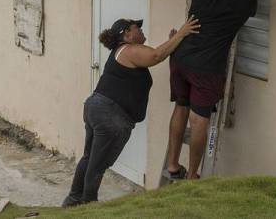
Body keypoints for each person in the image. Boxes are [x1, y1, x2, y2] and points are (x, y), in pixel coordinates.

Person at [63, 15, 200, 207]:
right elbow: (155, 56)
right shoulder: (129, 50)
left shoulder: (121, 52)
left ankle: (73, 201)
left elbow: (157, 54)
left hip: (97, 107)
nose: (141, 30)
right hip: (110, 115)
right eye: (137, 27)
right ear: (126, 34)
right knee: (98, 164)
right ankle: (88, 205)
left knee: (90, 158)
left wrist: (174, 41)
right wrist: (182, 34)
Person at [164, 0, 257, 181]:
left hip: (181, 58)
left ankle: (173, 166)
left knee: (180, 109)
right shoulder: (247, 2)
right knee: (198, 122)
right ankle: (193, 174)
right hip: (207, 69)